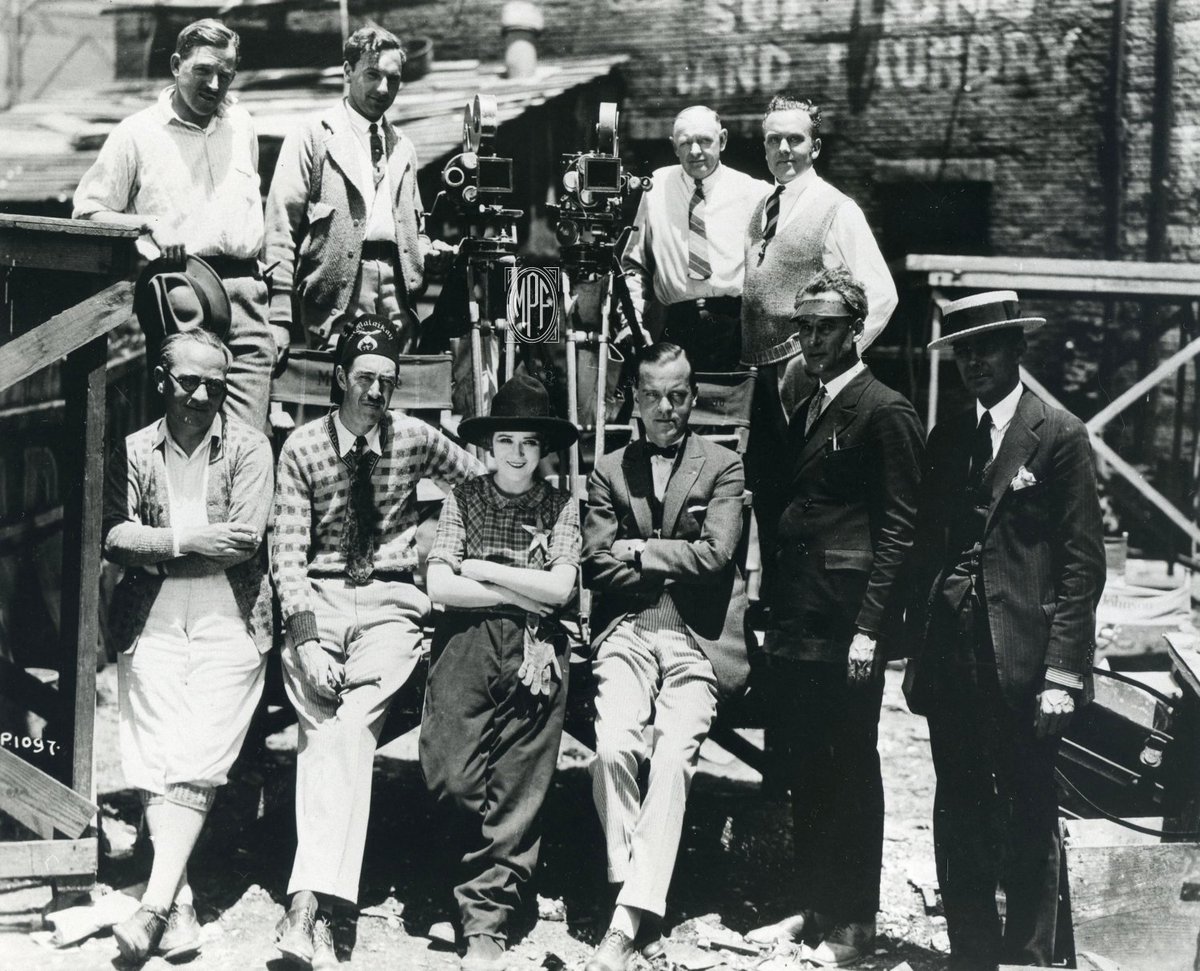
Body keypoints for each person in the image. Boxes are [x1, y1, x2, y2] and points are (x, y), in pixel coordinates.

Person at [270, 315, 485, 968]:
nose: (375, 393)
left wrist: (436, 537)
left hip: (392, 606)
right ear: (339, 378)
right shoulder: (303, 449)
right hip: (322, 600)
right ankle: (326, 902)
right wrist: (305, 638)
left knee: (351, 724)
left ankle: (306, 903)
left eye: (387, 382)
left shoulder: (415, 437)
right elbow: (287, 554)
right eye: (364, 379)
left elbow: (484, 483)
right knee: (328, 730)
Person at [902, 291, 1105, 970]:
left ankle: (1026, 956)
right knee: (957, 807)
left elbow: (1082, 567)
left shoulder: (1060, 435)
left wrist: (1063, 675)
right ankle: (972, 953)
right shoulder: (949, 436)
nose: (972, 362)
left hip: (1024, 663)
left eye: (986, 347)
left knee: (1027, 810)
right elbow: (930, 547)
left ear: (1018, 349)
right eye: (962, 349)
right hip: (954, 656)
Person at [745, 268, 923, 967]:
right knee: (806, 765)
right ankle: (813, 903)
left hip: (847, 626)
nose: (811, 340)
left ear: (857, 329)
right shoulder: (808, 404)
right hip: (798, 617)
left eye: (825, 327)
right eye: (803, 327)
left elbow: (902, 530)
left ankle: (855, 923)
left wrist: (873, 627)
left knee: (851, 767)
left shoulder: (884, 411)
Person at [102, 328, 273, 963]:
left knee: (200, 748)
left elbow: (245, 542)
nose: (201, 396)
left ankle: (152, 905)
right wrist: (188, 541)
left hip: (232, 612)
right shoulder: (133, 449)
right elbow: (115, 537)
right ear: (160, 381)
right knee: (153, 746)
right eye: (188, 382)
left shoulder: (251, 448)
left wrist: (159, 545)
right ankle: (175, 904)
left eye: (215, 385)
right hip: (149, 615)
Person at [581, 342, 751, 971]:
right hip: (626, 631)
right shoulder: (608, 469)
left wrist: (639, 550)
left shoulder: (724, 465)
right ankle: (638, 898)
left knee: (675, 755)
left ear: (694, 396)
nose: (666, 408)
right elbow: (595, 566)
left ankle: (622, 923)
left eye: (678, 395)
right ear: (633, 398)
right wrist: (662, 553)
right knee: (612, 746)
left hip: (697, 639)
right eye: (652, 395)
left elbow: (717, 558)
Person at [419, 373, 581, 971]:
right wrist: (516, 592)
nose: (517, 453)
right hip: (467, 640)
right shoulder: (464, 499)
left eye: (530, 444)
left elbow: (560, 588)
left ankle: (485, 922)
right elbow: (439, 583)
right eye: (507, 440)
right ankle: (459, 886)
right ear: (489, 445)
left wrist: (483, 569)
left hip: (537, 648)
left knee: (518, 785)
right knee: (451, 777)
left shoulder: (561, 505)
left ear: (544, 451)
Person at [74, 19, 279, 431]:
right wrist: (148, 224)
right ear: (175, 65)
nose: (215, 84)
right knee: (188, 436)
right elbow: (87, 211)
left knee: (249, 441)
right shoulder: (137, 133)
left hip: (248, 298)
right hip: (183, 294)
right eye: (203, 70)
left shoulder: (243, 124)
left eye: (226, 74)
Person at [740, 95, 897, 614]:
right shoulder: (763, 208)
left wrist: (833, 365)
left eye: (795, 139)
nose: (784, 148)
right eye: (773, 139)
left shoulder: (836, 208)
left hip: (806, 377)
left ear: (816, 146)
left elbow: (881, 293)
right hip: (763, 377)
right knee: (768, 495)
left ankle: (809, 621)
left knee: (811, 502)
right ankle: (779, 620)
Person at [264, 26, 431, 355]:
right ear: (347, 71)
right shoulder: (313, 135)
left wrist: (427, 252)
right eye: (372, 75)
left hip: (398, 298)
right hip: (336, 301)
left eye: (393, 79)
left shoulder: (403, 148)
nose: (383, 89)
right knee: (340, 394)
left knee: (391, 391)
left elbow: (418, 228)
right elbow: (280, 227)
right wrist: (280, 315)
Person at [620, 106, 771, 371]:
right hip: (674, 326)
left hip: (735, 327)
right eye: (685, 143)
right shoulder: (656, 188)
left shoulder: (754, 193)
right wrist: (632, 323)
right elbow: (635, 265)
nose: (695, 151)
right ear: (673, 147)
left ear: (722, 140)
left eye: (704, 140)